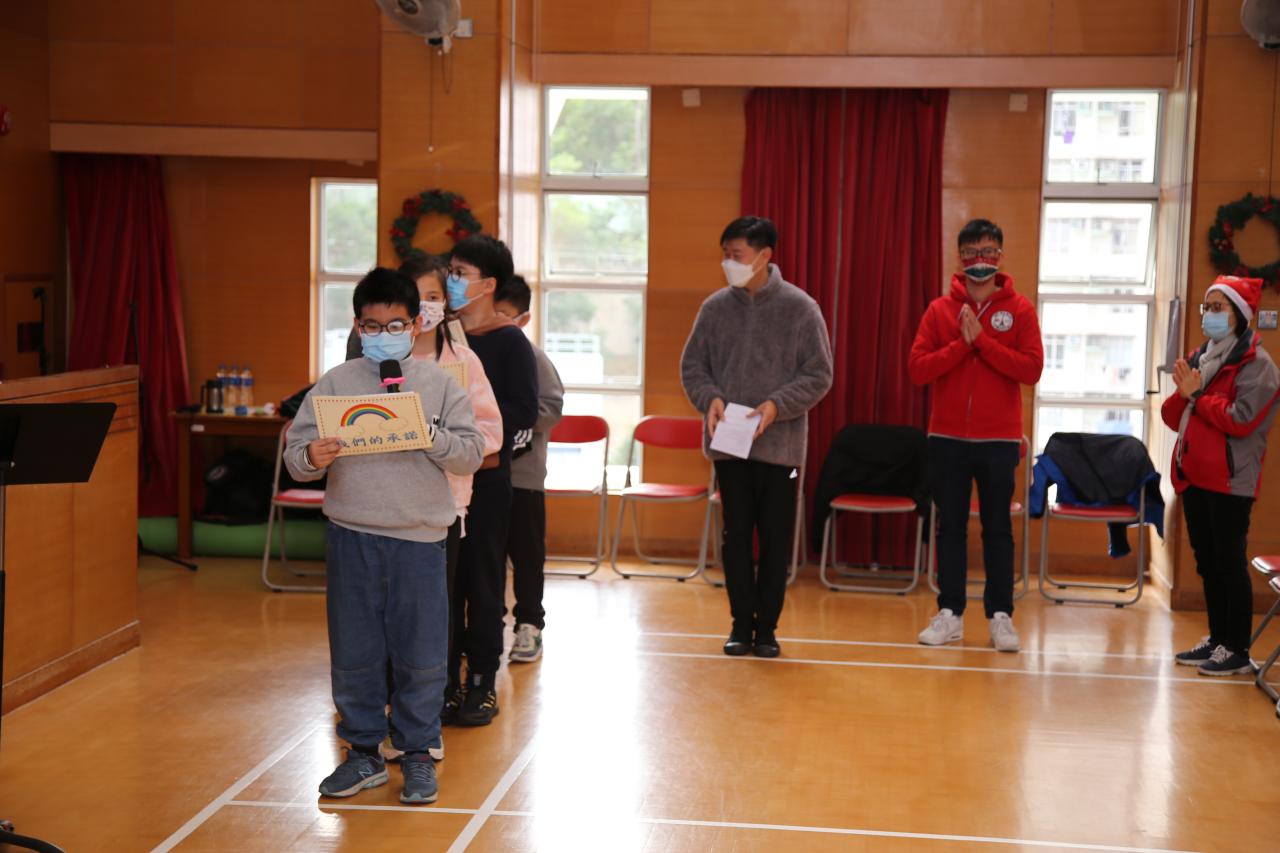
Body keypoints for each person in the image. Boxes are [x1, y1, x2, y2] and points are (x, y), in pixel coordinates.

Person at [284, 267, 484, 805]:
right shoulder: (335, 383)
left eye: (395, 325)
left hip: (419, 537)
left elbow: (471, 453)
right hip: (351, 534)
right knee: (355, 649)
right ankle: (363, 753)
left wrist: (430, 436)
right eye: (372, 327)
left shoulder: (441, 384)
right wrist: (312, 456)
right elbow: (296, 457)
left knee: (421, 651)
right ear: (357, 327)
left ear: (416, 324)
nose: (384, 335)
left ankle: (417, 752)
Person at [680, 216, 833, 658]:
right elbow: (693, 367)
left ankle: (766, 629)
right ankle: (739, 625)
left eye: (737, 255)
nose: (729, 262)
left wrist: (775, 406)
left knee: (775, 539)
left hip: (780, 450)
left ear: (764, 256)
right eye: (725, 255)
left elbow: (819, 374)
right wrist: (709, 398)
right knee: (735, 538)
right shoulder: (714, 309)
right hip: (730, 447)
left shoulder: (800, 308)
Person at [380, 253, 504, 763]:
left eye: (434, 296)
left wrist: (440, 442)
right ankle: (392, 707)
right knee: (390, 611)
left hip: (444, 506)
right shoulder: (377, 362)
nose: (426, 307)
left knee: (437, 610)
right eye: (417, 298)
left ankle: (431, 707)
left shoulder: (464, 361)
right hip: (386, 507)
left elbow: (490, 432)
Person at [909, 218, 1043, 653]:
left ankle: (1000, 616)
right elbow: (918, 369)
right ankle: (950, 613)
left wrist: (982, 341)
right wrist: (961, 345)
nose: (979, 261)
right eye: (971, 253)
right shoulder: (939, 310)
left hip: (999, 440)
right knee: (950, 527)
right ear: (960, 258)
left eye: (987, 252)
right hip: (946, 438)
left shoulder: (1019, 309)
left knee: (997, 528)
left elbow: (1031, 369)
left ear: (999, 256)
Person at [1163, 275, 1279, 676]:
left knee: (1229, 563)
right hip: (1194, 476)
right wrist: (1183, 393)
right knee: (1208, 564)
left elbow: (1241, 420)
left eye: (1218, 308)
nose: (1209, 315)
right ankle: (1217, 639)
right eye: (1207, 307)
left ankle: (1238, 649)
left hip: (1231, 481)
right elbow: (1172, 416)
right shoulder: (1202, 356)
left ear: (1240, 315)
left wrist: (1196, 395)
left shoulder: (1259, 366)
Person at [443, 235, 539, 726]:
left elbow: (523, 414)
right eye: (450, 271)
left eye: (461, 273)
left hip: (486, 480)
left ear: (488, 284)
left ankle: (481, 681)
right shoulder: (440, 337)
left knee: (483, 581)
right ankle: (443, 681)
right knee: (443, 584)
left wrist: (475, 440)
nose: (451, 281)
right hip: (439, 484)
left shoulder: (509, 342)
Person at [494, 275, 565, 663]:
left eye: (505, 315)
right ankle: (488, 624)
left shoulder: (533, 357)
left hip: (524, 477)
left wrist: (505, 415)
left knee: (527, 556)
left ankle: (529, 625)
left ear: (523, 319)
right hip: (484, 474)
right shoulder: (473, 353)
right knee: (485, 558)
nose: (497, 321)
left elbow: (551, 409)